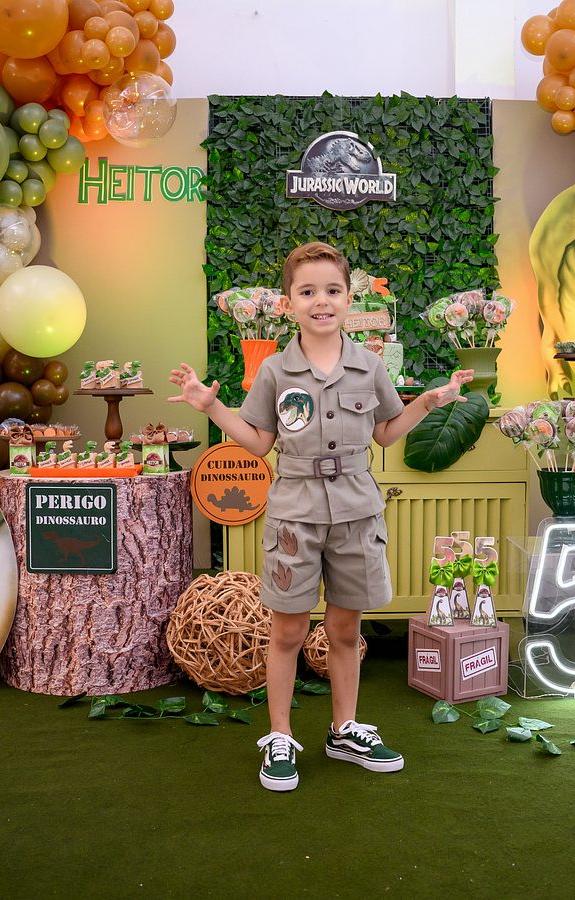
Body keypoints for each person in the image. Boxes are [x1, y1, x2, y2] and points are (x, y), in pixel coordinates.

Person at [169, 241, 472, 792]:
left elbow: (386, 433)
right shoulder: (274, 371)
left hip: (357, 510)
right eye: (307, 292)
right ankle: (280, 735)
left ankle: (344, 729)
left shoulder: (369, 365)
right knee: (287, 630)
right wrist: (211, 406)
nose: (322, 301)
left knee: (345, 628)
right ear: (289, 304)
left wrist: (428, 402)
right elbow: (258, 443)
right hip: (295, 515)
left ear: (349, 299)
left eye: (333, 290)